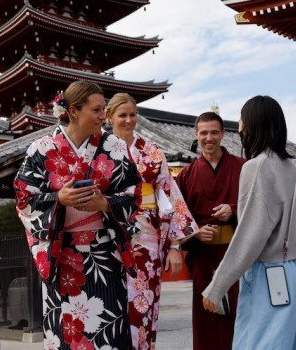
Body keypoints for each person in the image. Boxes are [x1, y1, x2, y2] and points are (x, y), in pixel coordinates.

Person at [14, 81, 141, 350]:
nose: (101, 116)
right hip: (63, 257)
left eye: (103, 109)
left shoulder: (115, 147)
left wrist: (105, 204)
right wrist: (58, 199)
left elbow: (134, 192)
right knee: (66, 334)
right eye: (96, 110)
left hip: (104, 255)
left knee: (109, 331)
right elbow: (24, 198)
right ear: (73, 110)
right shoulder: (41, 149)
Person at [201, 95, 296, 349]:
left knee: (260, 343)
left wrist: (218, 285)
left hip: (271, 272)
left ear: (252, 125)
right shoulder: (291, 166)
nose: (240, 126)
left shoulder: (255, 167)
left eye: (243, 120)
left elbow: (250, 235)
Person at [106, 93, 200, 349]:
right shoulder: (98, 150)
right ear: (109, 117)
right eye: (122, 115)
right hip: (106, 240)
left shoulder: (151, 152)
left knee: (142, 305)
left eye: (132, 115)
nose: (128, 120)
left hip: (147, 243)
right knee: (107, 305)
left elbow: (170, 196)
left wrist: (174, 247)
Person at [176, 111, 244, 350]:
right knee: (207, 316)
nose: (209, 138)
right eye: (203, 133)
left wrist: (234, 209)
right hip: (203, 256)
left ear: (223, 134)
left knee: (240, 313)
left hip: (237, 253)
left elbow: (258, 205)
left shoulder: (242, 167)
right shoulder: (186, 175)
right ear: (196, 135)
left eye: (214, 132)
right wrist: (196, 232)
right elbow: (177, 217)